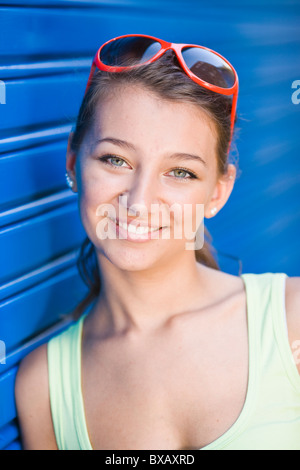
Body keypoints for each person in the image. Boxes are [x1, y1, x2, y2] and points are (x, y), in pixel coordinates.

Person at [15, 35, 300, 450]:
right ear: (74, 162)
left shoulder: (292, 319)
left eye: (180, 172)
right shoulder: (43, 387)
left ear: (218, 193)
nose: (138, 202)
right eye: (116, 160)